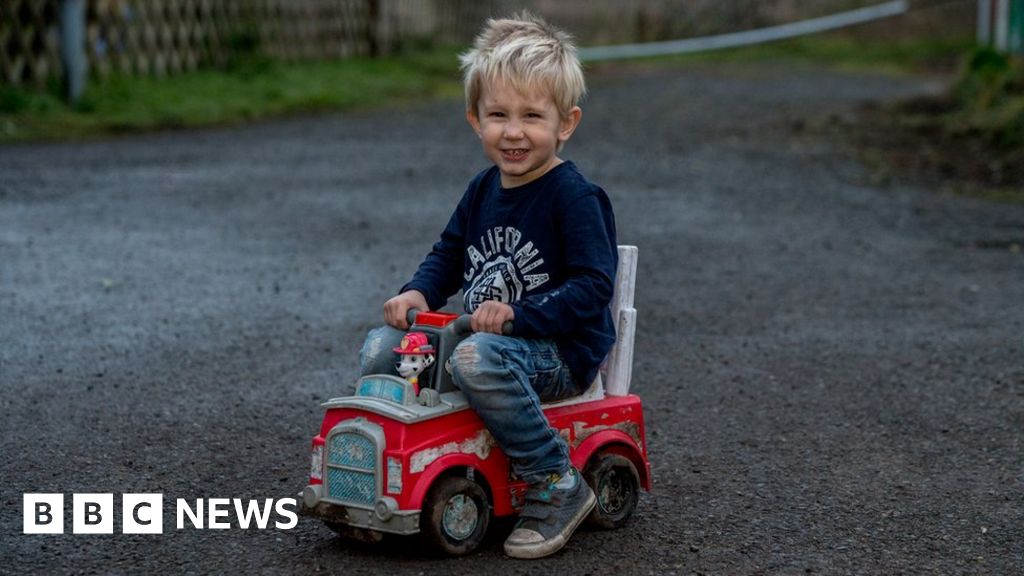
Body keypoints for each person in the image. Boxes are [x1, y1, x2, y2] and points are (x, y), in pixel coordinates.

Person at [359, 11, 617, 559]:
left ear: (565, 123)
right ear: (475, 119)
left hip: (556, 351)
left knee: (475, 358)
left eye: (532, 116)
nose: (514, 131)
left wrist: (520, 316)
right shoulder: (482, 189)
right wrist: (418, 294)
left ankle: (557, 483)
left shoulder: (574, 197)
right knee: (381, 346)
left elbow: (595, 287)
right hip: (485, 341)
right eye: (498, 114)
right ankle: (381, 472)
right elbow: (449, 254)